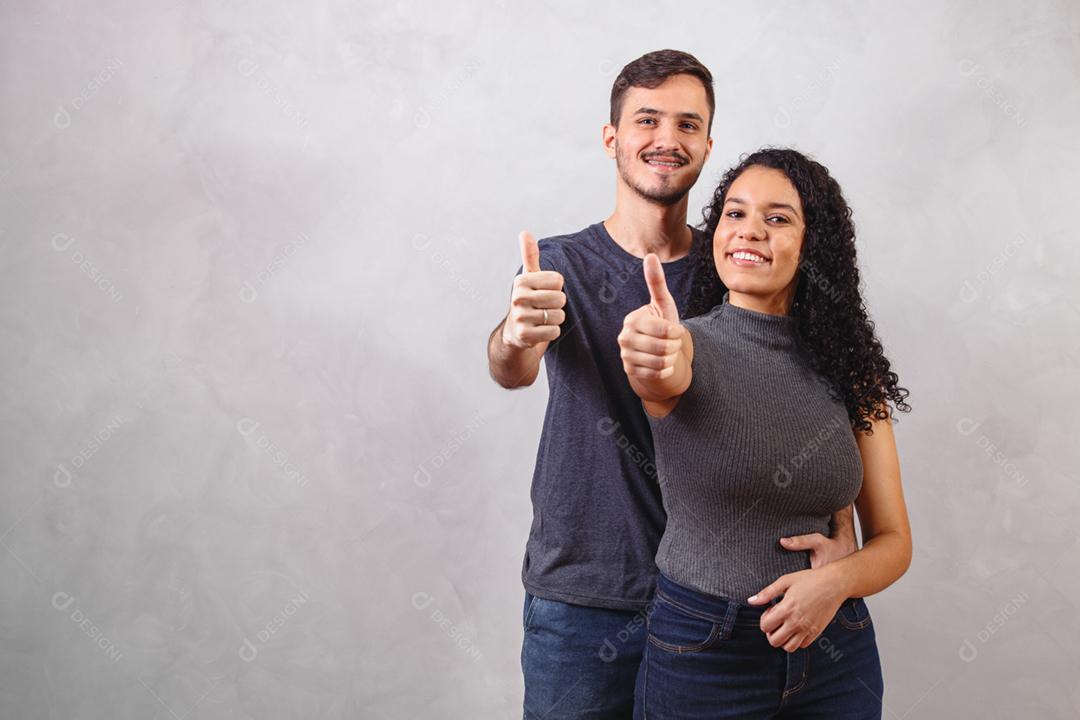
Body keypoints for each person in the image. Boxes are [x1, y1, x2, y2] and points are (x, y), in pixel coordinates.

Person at [488, 52, 859, 719]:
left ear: (708, 145)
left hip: (710, 601)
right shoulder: (560, 266)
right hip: (584, 597)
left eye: (688, 124)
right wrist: (516, 336)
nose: (667, 138)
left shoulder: (736, 264)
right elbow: (511, 369)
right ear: (612, 138)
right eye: (647, 120)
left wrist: (842, 531)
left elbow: (805, 399)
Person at [618, 147, 913, 719]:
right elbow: (660, 373)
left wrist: (837, 582)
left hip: (836, 650)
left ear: (811, 245)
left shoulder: (851, 370)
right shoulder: (686, 345)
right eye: (735, 213)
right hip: (706, 653)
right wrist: (650, 353)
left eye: (777, 218)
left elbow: (894, 541)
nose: (749, 230)